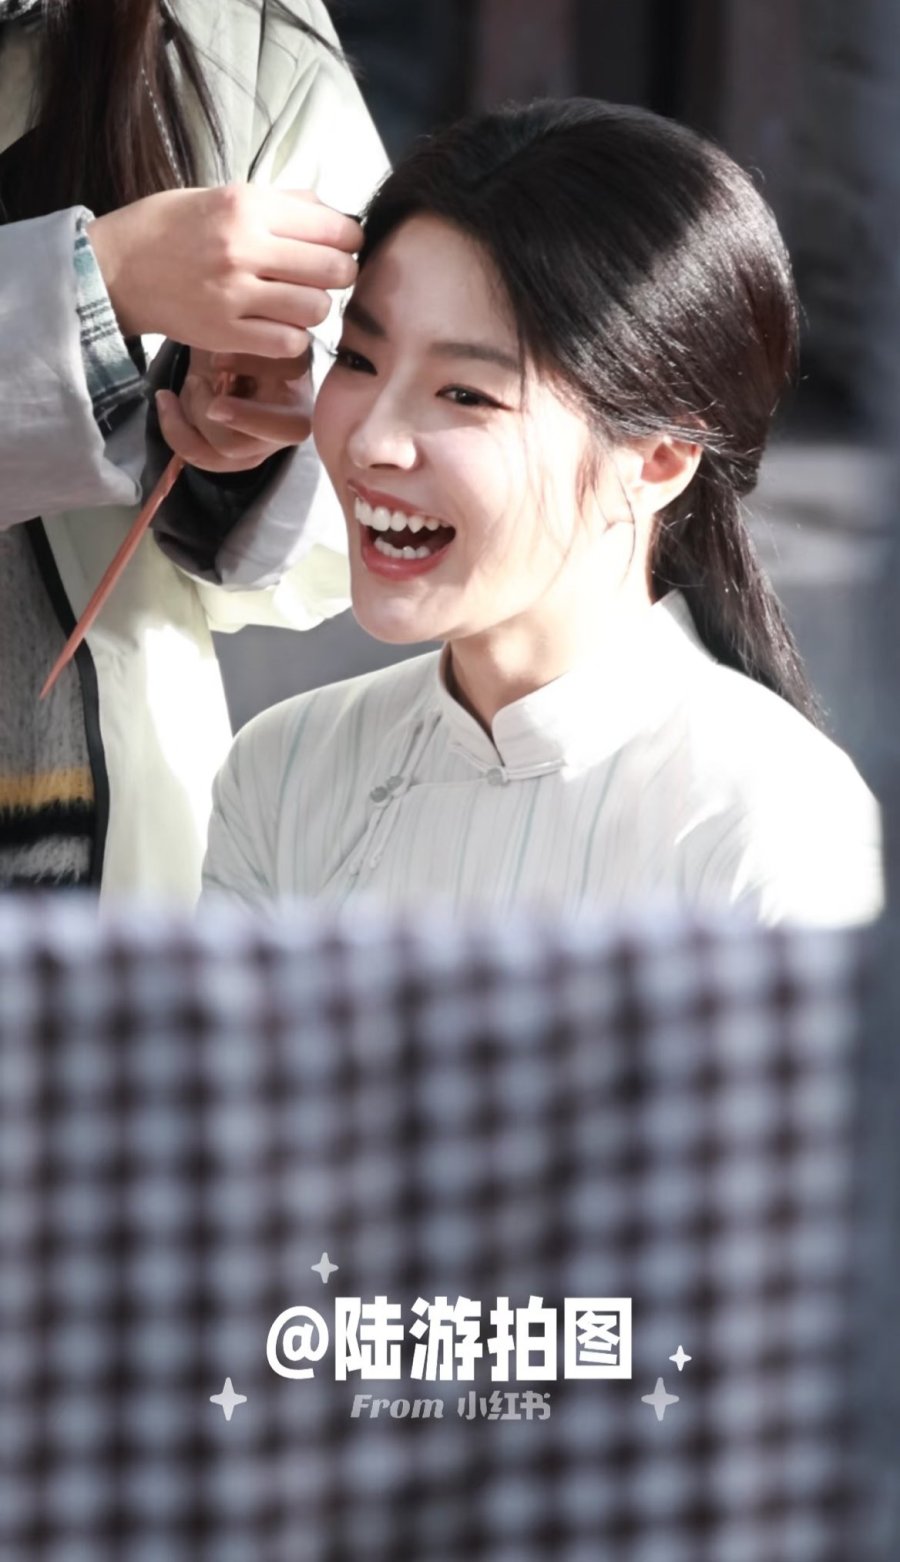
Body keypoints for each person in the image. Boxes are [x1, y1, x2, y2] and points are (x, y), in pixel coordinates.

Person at [202, 98, 882, 925]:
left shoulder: (775, 831)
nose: (372, 439)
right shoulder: (283, 773)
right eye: (358, 358)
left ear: (658, 460)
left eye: (465, 393)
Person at [0, 0, 388, 896]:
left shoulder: (239, 33)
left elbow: (347, 470)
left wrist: (245, 450)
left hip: (96, 849)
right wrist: (97, 286)